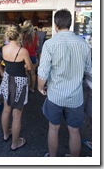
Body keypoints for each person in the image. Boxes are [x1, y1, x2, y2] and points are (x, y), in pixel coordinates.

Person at [37, 9, 92, 157]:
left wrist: (40, 87)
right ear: (70, 23)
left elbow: (43, 72)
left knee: (53, 128)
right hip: (76, 96)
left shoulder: (49, 44)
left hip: (55, 95)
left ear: (55, 25)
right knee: (74, 131)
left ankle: (53, 159)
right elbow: (89, 70)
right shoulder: (84, 44)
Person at [0, 25, 32, 150]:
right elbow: (29, 67)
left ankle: (6, 134)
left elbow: (6, 63)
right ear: (19, 35)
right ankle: (14, 143)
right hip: (19, 82)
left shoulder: (4, 48)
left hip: (7, 79)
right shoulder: (23, 51)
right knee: (16, 115)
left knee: (6, 110)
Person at [21, 20, 38, 92]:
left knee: (26, 73)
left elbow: (20, 45)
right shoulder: (35, 36)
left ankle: (26, 88)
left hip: (24, 56)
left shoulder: (22, 36)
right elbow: (37, 46)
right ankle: (32, 88)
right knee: (33, 72)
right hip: (33, 55)